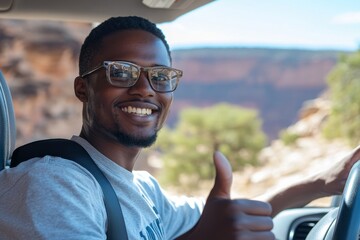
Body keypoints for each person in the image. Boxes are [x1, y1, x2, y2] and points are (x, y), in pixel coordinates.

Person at [0, 15, 359, 240]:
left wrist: (318, 183)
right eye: (121, 72)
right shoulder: (52, 184)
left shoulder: (144, 190)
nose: (145, 88)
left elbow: (228, 221)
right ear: (83, 88)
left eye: (160, 76)